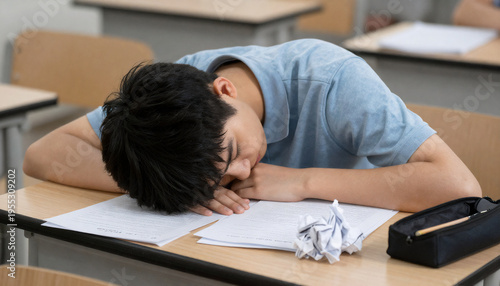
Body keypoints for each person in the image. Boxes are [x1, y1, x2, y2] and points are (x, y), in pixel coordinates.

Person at [23, 39, 481, 216]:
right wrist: (165, 183)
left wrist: (302, 182)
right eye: (220, 178)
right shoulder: (164, 102)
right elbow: (41, 154)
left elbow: (458, 186)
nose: (240, 174)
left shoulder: (332, 79)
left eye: (231, 155)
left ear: (224, 91)